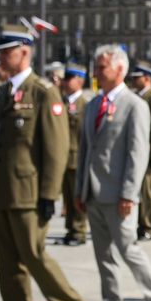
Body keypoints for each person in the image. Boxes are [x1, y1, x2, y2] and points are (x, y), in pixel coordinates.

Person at [0, 23, 91, 301]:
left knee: (34, 255)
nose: (2, 58)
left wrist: (49, 194)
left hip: (29, 192)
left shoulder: (43, 92)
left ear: (25, 52)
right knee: (7, 262)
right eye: (0, 53)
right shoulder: (2, 92)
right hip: (3, 191)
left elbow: (56, 149)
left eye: (8, 52)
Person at [75, 45, 151, 301]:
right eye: (96, 66)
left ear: (120, 69)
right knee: (104, 256)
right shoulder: (93, 104)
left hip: (119, 196)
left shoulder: (134, 105)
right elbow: (85, 151)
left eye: (102, 67)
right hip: (94, 194)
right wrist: (80, 189)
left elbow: (137, 154)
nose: (96, 72)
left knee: (129, 250)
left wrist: (129, 194)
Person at [128, 62, 151, 242]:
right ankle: (142, 224)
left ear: (147, 79)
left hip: (148, 152)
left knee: (147, 191)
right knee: (139, 190)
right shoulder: (136, 97)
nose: (134, 81)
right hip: (137, 151)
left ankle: (150, 225)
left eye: (137, 78)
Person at [58, 63, 90, 246]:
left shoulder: (85, 104)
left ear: (80, 81)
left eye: (69, 79)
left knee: (78, 197)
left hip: (77, 157)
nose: (65, 82)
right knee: (67, 197)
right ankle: (70, 228)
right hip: (62, 157)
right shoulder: (61, 102)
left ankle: (79, 230)